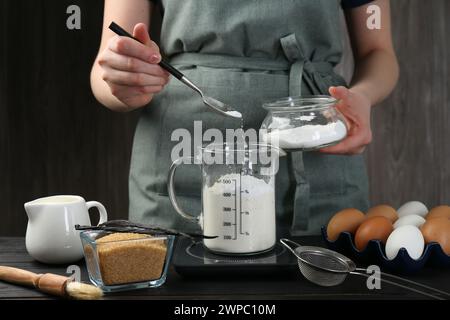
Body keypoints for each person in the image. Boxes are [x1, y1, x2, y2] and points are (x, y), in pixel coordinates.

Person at [90, 0, 399, 235]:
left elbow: (378, 52)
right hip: (184, 154)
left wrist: (363, 96)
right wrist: (122, 80)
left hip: (319, 158)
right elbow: (107, 65)